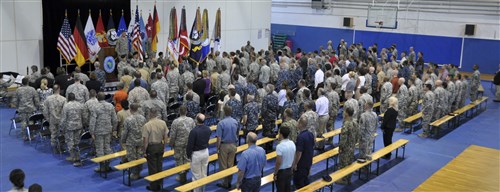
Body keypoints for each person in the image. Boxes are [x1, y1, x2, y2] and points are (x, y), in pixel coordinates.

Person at [143, 108, 169, 191]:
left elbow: (145, 141)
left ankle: (153, 187)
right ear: (157, 113)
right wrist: (164, 146)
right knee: (159, 165)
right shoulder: (163, 123)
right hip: (160, 145)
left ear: (150, 114)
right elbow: (166, 137)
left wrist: (144, 151)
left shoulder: (147, 125)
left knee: (152, 168)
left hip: (151, 147)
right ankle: (159, 184)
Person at [90, 92, 117, 172]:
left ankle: (102, 167)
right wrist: (114, 129)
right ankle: (108, 165)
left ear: (97, 98)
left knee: (100, 149)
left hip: (99, 131)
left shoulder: (95, 107)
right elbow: (114, 119)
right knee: (107, 147)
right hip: (108, 130)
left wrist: (91, 132)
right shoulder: (110, 106)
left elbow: (92, 121)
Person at [120, 103, 146, 180]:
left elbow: (125, 132)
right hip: (140, 140)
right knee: (139, 156)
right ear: (137, 109)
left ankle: (134, 173)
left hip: (131, 142)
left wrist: (123, 140)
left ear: (130, 109)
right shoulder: (143, 118)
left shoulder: (128, 120)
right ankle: (138, 172)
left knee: (132, 158)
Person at [170, 105, 195, 183]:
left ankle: (182, 177)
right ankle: (184, 176)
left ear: (179, 112)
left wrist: (171, 144)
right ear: (186, 111)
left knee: (179, 160)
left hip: (178, 145)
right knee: (187, 160)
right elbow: (194, 132)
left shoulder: (175, 122)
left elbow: (173, 135)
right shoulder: (191, 120)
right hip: (188, 144)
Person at [216, 105, 239, 189]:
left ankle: (225, 183)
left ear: (224, 112)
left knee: (223, 165)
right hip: (233, 144)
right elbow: (237, 133)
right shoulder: (235, 122)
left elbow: (219, 138)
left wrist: (217, 148)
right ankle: (229, 181)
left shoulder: (221, 123)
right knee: (230, 164)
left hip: (224, 145)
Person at [187, 114, 211, 192]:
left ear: (196, 120)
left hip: (196, 154)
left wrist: (188, 155)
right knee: (204, 173)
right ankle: (203, 190)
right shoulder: (208, 129)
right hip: (205, 152)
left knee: (196, 175)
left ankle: (196, 191)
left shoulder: (193, 131)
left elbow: (190, 145)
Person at [60, 93, 86, 166]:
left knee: (70, 142)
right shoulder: (80, 105)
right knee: (77, 142)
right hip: (79, 126)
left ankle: (73, 157)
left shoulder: (66, 106)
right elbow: (83, 116)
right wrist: (83, 124)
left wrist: (61, 127)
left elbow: (64, 118)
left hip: (70, 127)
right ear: (75, 98)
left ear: (68, 98)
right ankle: (78, 157)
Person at [336, 107, 359, 185]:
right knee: (350, 162)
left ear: (346, 113)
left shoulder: (346, 124)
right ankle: (348, 178)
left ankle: (344, 179)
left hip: (346, 147)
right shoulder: (355, 122)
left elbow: (343, 138)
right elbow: (357, 135)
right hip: (352, 146)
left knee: (343, 163)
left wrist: (340, 147)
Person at [42, 85, 66, 153]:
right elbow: (65, 111)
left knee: (53, 134)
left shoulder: (48, 99)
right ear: (59, 89)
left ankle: (54, 148)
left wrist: (48, 118)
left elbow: (45, 110)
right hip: (61, 119)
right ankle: (61, 146)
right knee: (62, 133)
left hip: (52, 119)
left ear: (53, 89)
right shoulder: (63, 99)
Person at [292, 116, 315, 189]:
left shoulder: (300, 137)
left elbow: (299, 152)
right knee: (305, 179)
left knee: (299, 183)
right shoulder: (310, 134)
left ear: (300, 124)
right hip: (308, 160)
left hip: (301, 163)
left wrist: (295, 163)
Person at [274, 126, 296, 192]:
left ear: (281, 134)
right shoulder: (292, 143)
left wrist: (275, 173)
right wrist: (292, 168)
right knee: (287, 189)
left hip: (281, 172)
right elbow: (294, 157)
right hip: (289, 170)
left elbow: (278, 162)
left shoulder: (279, 146)